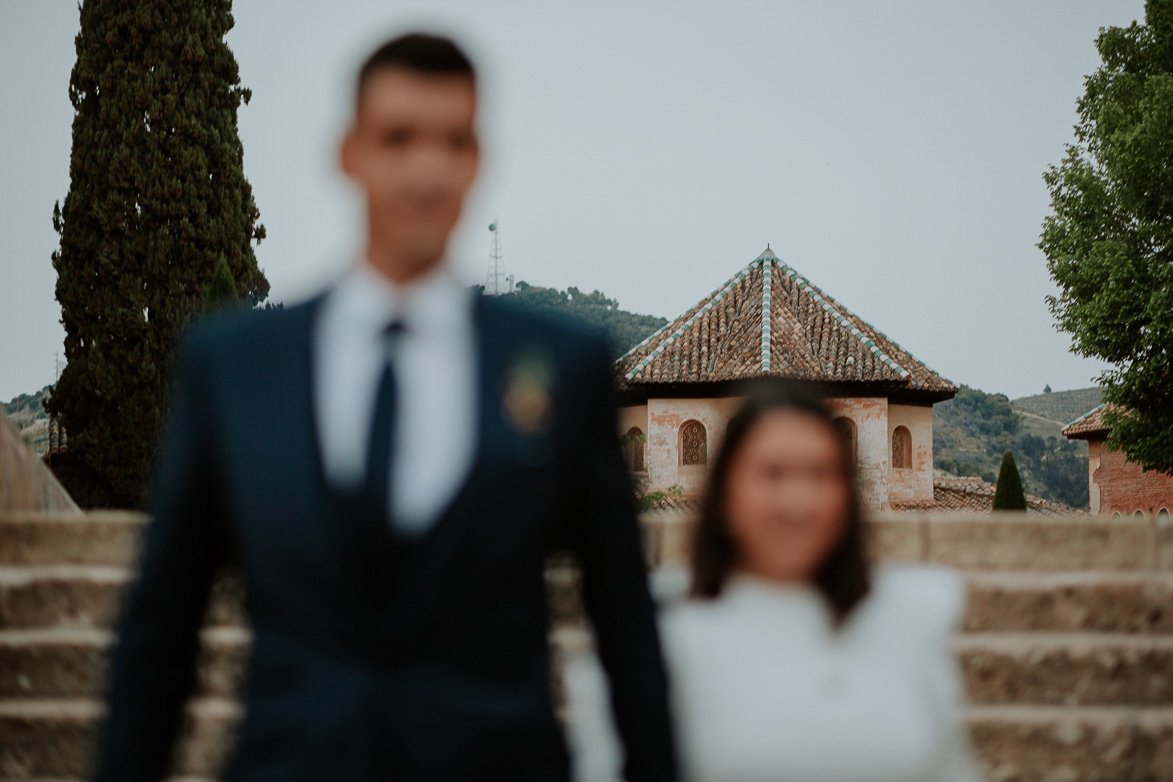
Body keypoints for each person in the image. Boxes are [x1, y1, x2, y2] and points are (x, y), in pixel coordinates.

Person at [93, 33, 677, 782]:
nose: (427, 168)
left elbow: (625, 623)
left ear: (477, 161)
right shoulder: (234, 365)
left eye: (453, 140)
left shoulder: (562, 364)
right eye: (398, 138)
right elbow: (160, 632)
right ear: (349, 152)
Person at [660, 386, 982, 782]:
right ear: (726, 494)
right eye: (772, 473)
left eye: (820, 474)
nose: (798, 500)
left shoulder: (913, 618)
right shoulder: (662, 631)